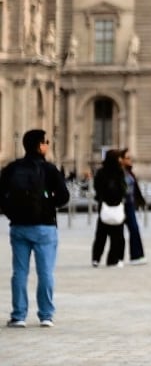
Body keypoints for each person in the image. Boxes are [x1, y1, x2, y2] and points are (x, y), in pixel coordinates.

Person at [0, 129, 70, 327]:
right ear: (40, 146)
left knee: (19, 272)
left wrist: (12, 213)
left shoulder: (12, 168)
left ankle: (19, 315)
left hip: (19, 226)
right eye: (46, 142)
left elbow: (1, 196)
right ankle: (46, 315)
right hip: (45, 227)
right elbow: (64, 197)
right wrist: (48, 205)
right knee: (46, 272)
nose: (48, 145)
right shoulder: (49, 169)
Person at [91, 148, 129, 268]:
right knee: (117, 235)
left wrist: (100, 198)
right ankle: (114, 258)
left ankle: (96, 258)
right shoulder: (119, 172)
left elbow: (97, 187)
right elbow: (124, 188)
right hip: (117, 206)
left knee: (101, 235)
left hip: (104, 206)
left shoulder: (101, 172)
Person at [120, 150, 148, 265]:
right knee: (116, 232)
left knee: (134, 229)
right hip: (121, 204)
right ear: (121, 159)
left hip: (129, 204)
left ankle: (137, 255)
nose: (130, 160)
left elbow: (134, 188)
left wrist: (140, 200)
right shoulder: (119, 172)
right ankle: (116, 257)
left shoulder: (128, 172)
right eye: (127, 158)